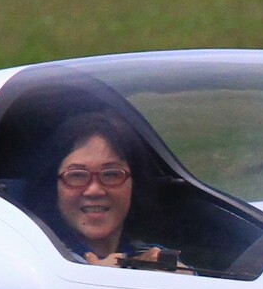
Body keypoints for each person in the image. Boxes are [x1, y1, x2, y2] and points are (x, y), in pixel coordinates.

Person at [38, 111, 175, 268]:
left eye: (111, 174)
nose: (94, 190)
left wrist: (185, 281)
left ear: (135, 184)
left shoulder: (155, 258)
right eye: (77, 175)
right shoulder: (35, 265)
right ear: (52, 187)